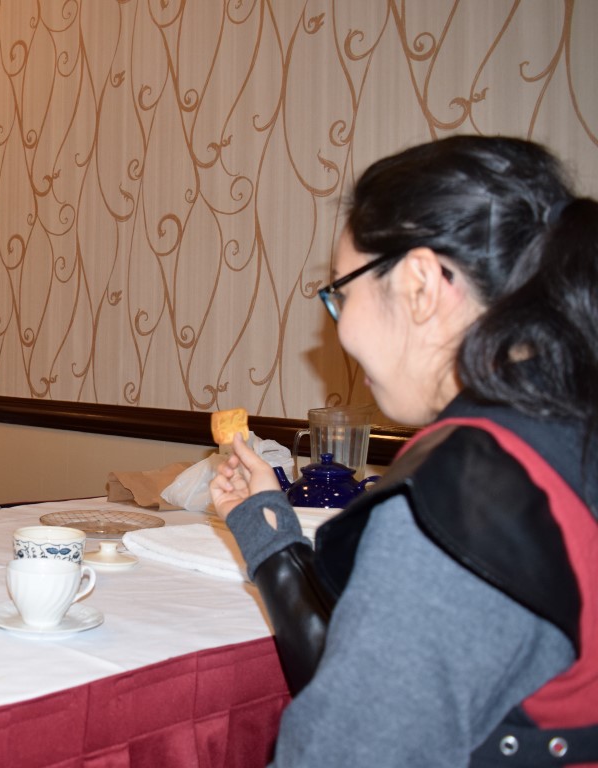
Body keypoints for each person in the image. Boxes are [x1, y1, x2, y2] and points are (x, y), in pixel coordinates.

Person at [210, 136, 598, 766]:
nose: (338, 327)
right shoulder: (566, 439)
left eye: (341, 294)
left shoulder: (453, 497)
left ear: (420, 284)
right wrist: (266, 528)